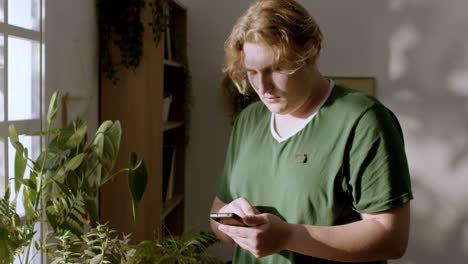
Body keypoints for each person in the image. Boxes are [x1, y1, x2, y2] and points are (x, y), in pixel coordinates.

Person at [210, 0, 413, 263]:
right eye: (252, 72)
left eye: (277, 69)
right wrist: (231, 221)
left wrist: (287, 237)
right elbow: (216, 215)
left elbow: (391, 238)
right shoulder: (249, 120)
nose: (263, 87)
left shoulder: (363, 120)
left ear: (311, 53)